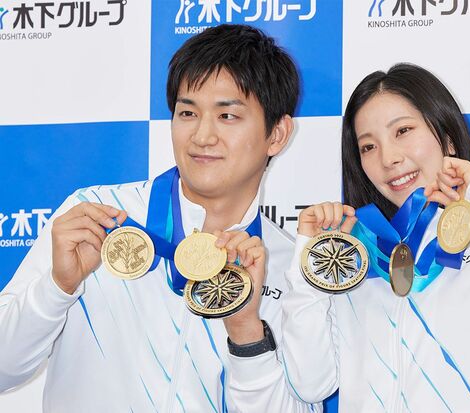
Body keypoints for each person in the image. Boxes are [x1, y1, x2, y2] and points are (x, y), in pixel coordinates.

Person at [0, 24, 318, 413]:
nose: (202, 135)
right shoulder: (96, 216)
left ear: (278, 134)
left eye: (227, 115)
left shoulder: (290, 268)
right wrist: (57, 287)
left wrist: (247, 333)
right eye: (187, 113)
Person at [281, 63, 470, 412]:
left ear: (447, 137)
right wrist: (310, 268)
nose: (389, 158)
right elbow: (310, 384)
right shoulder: (353, 255)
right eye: (368, 147)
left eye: (403, 131)